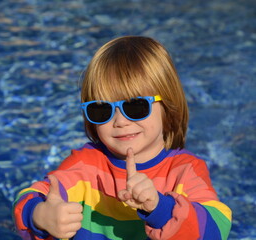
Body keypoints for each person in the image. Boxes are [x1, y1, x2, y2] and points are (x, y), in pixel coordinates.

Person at [13, 36, 232, 240]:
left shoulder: (185, 171)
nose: (120, 121)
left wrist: (160, 208)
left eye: (135, 106)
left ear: (168, 107)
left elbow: (215, 230)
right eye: (101, 110)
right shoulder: (85, 167)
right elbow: (33, 195)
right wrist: (39, 216)